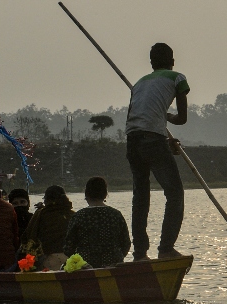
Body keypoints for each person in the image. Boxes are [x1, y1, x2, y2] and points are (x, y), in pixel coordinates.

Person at [125, 42, 189, 261]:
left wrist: (163, 133)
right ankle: (166, 249)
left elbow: (135, 120)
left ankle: (140, 253)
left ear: (151, 63)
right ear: (172, 61)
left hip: (132, 140)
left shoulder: (139, 84)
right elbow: (181, 118)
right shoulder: (178, 78)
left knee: (140, 196)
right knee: (174, 193)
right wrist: (166, 119)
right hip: (152, 139)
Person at [64, 176, 131, 268]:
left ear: (86, 194)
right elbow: (126, 243)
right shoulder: (116, 215)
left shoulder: (78, 216)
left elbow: (68, 247)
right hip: (114, 263)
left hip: (86, 264)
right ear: (105, 194)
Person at [21, 185, 75, 270]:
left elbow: (28, 237)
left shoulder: (40, 214)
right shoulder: (72, 214)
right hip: (73, 261)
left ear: (46, 200)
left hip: (48, 261)